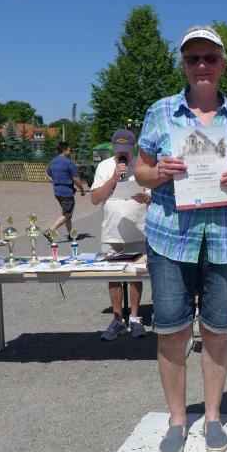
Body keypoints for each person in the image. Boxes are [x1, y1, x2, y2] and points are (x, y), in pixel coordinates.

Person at [134, 25, 227, 452]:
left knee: (218, 332)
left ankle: (212, 417)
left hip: (226, 238)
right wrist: (158, 173)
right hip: (171, 236)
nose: (201, 65)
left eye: (209, 58)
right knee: (171, 332)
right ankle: (177, 419)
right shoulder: (160, 111)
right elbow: (140, 172)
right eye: (193, 59)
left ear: (223, 64)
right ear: (184, 65)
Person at [90, 128, 150, 340]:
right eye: (118, 149)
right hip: (111, 231)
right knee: (113, 276)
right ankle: (117, 320)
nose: (122, 153)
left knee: (135, 276)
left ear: (134, 147)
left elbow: (153, 197)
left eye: (126, 149)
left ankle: (135, 318)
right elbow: (95, 199)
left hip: (137, 230)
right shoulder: (104, 166)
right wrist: (113, 179)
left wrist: (147, 199)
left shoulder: (142, 167)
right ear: (113, 148)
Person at [44, 142, 85, 241]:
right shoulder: (69, 163)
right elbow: (76, 179)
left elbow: (47, 175)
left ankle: (71, 235)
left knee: (67, 214)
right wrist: (82, 189)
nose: (70, 152)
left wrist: (56, 182)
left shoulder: (52, 162)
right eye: (69, 150)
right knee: (66, 215)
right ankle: (50, 231)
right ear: (64, 150)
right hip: (67, 192)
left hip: (57, 192)